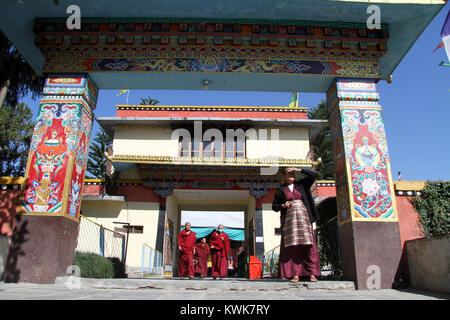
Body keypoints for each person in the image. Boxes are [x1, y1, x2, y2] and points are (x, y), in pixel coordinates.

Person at [272, 167, 321, 283]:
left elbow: (313, 175)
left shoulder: (302, 185)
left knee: (308, 245)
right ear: (284, 176)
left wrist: (299, 169)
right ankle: (295, 274)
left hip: (304, 219)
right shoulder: (281, 189)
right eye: (288, 173)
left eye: (292, 173)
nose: (291, 175)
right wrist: (283, 205)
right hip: (290, 221)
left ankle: (312, 273)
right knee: (293, 246)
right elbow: (274, 206)